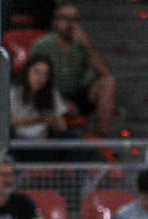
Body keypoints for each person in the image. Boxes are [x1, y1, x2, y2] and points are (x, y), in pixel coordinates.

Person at [29, 2, 118, 136]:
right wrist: (61, 101)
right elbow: (30, 77)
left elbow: (105, 72)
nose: (70, 24)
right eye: (65, 19)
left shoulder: (81, 44)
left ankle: (100, 137)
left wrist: (88, 46)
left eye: (74, 19)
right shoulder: (42, 45)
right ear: (56, 22)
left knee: (108, 83)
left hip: (74, 93)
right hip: (49, 94)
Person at [6, 54, 74, 151]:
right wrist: (35, 120)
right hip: (17, 140)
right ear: (27, 71)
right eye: (36, 72)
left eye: (45, 75)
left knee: (74, 135)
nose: (40, 78)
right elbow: (4, 122)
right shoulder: (13, 91)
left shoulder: (51, 93)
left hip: (42, 142)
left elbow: (62, 127)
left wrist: (53, 122)